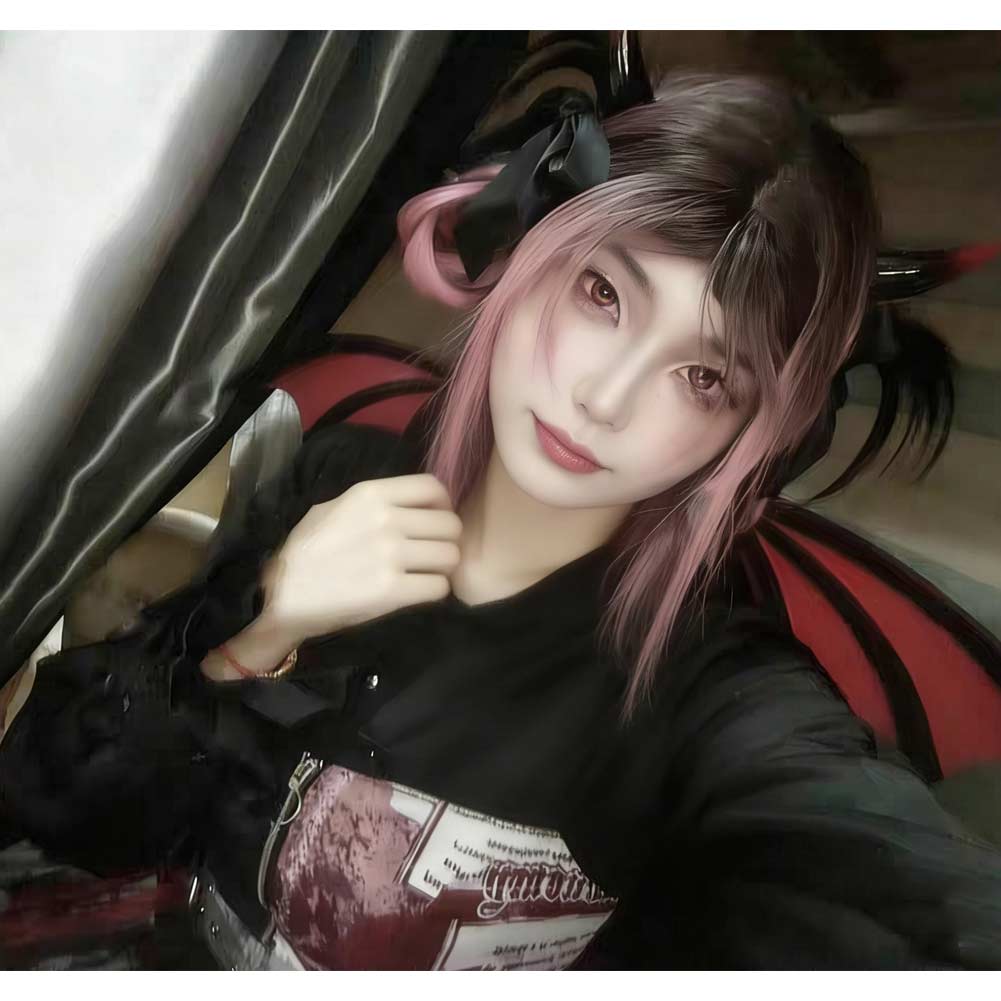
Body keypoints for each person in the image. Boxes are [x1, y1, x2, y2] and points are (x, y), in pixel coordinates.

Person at [2, 73, 1001, 971]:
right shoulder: (336, 477)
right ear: (529, 255)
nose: (605, 397)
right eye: (602, 292)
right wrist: (263, 632)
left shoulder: (709, 695)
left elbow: (883, 887)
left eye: (703, 376)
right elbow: (65, 800)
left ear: (750, 437)